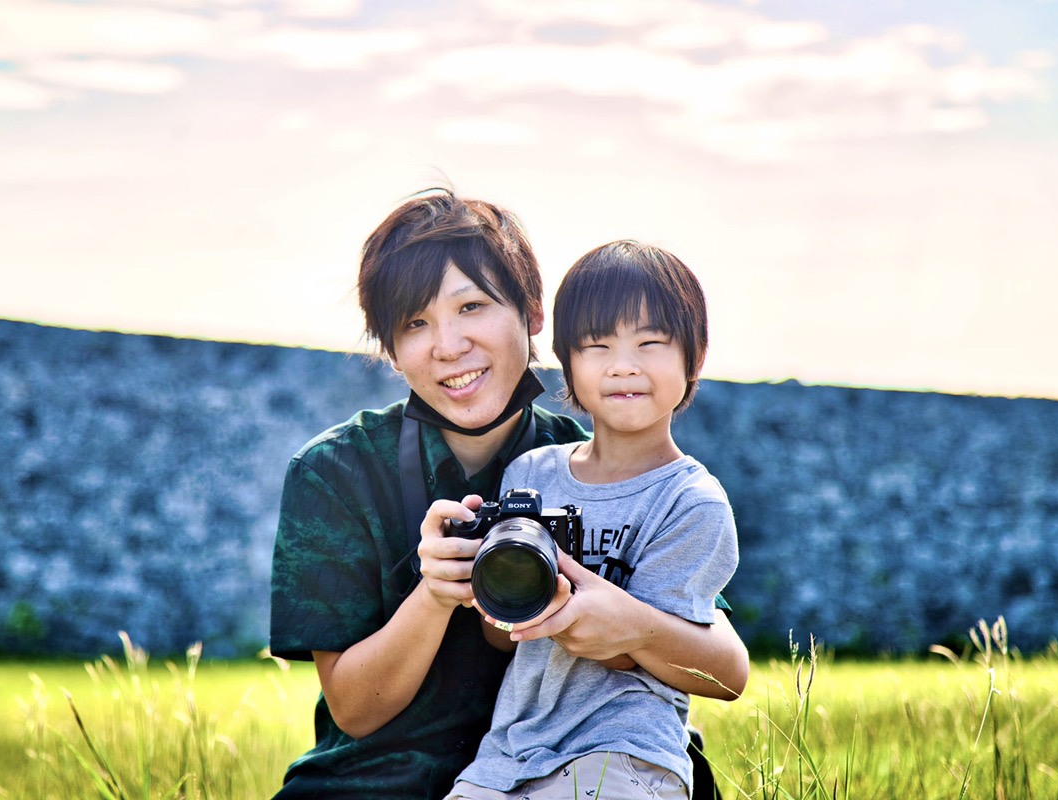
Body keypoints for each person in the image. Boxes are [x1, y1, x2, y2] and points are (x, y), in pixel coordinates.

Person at [269, 191, 748, 800]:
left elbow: (717, 654)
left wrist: (624, 628)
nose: (448, 345)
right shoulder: (336, 471)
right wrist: (435, 593)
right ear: (389, 350)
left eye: (471, 306)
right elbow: (356, 712)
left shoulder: (598, 463)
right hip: (383, 780)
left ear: (533, 313)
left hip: (579, 765)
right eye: (415, 323)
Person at [440, 240, 746, 800]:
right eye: (597, 345)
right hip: (508, 755)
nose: (623, 365)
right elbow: (501, 635)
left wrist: (593, 614)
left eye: (650, 343)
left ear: (695, 357)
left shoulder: (689, 501)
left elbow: (679, 660)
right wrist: (484, 580)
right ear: (568, 363)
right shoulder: (530, 473)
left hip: (625, 750)